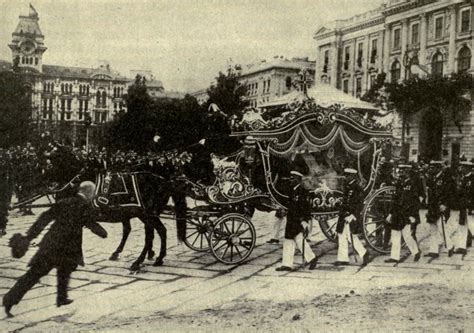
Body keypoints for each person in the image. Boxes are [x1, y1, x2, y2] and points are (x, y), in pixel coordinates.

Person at [2, 181, 108, 318]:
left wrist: (30, 236)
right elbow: (91, 223)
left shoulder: (64, 202)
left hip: (50, 244)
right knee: (62, 270)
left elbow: (44, 218)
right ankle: (12, 299)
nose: (93, 196)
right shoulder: (84, 206)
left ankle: (13, 300)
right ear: (89, 193)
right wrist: (103, 233)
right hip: (68, 248)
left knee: (36, 274)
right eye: (93, 194)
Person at [276, 171, 318, 271]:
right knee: (290, 239)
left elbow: (306, 207)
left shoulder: (302, 191)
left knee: (297, 240)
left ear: (298, 179)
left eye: (293, 178)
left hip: (298, 220)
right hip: (292, 218)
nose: (291, 180)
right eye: (291, 178)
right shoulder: (292, 190)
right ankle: (288, 264)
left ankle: (311, 258)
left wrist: (305, 220)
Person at [384, 164, 421, 263]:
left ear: (407, 171)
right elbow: (395, 199)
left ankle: (416, 252)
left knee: (406, 235)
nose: (400, 172)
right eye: (399, 170)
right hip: (397, 212)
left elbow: (415, 201)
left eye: (403, 170)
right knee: (395, 234)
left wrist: (413, 215)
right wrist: (391, 213)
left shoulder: (412, 184)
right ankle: (394, 257)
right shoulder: (399, 183)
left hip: (406, 213)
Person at [334, 168, 369, 266]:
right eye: (345, 175)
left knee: (350, 236)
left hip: (350, 216)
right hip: (344, 215)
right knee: (341, 235)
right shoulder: (347, 186)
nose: (346, 177)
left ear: (353, 176)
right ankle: (343, 258)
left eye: (348, 175)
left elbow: (359, 204)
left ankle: (364, 253)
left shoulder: (357, 188)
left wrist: (353, 215)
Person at [424, 160, 456, 258]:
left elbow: (451, 193)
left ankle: (450, 246)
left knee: (442, 228)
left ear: (438, 168)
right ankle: (433, 250)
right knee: (432, 228)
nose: (430, 169)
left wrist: (445, 204)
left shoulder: (446, 178)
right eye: (430, 168)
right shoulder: (432, 178)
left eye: (432, 168)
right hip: (432, 206)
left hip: (441, 206)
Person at [453, 161, 474, 255]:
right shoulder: (463, 178)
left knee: (472, 226)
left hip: (470, 207)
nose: (461, 168)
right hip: (463, 206)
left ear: (468, 168)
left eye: (463, 167)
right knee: (462, 226)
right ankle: (461, 247)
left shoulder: (472, 178)